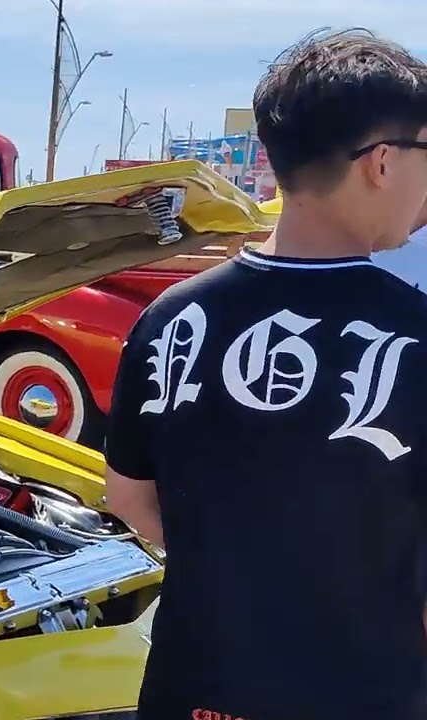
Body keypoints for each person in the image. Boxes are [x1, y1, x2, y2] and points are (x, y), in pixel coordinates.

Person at [104, 29, 427, 720]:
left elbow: (127, 496)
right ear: (381, 162)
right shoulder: (416, 333)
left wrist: (239, 560)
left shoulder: (168, 318)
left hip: (191, 693)